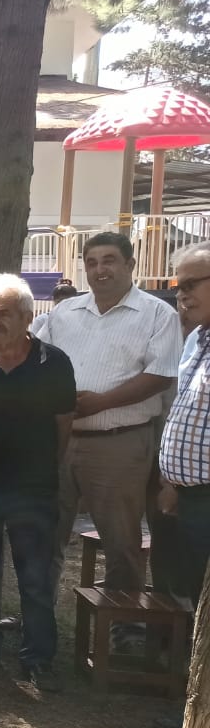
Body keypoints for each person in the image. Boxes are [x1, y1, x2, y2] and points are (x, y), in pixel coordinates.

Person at [38, 232, 180, 594]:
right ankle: (38, 614)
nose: (99, 269)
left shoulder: (157, 314)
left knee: (120, 540)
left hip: (118, 444)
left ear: (130, 264)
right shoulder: (65, 312)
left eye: (109, 260)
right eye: (91, 262)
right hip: (59, 440)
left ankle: (124, 619)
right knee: (45, 532)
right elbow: (40, 362)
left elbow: (161, 375)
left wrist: (101, 402)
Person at [0, 274, 75, 691]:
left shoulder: (54, 363)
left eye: (3, 313)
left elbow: (63, 425)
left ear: (26, 316)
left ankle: (38, 659)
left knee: (35, 578)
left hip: (34, 488)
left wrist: (40, 468)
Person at [158, 243, 210, 606]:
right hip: (189, 498)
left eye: (191, 285)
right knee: (194, 598)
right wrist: (173, 484)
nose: (182, 295)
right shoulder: (196, 339)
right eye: (179, 287)